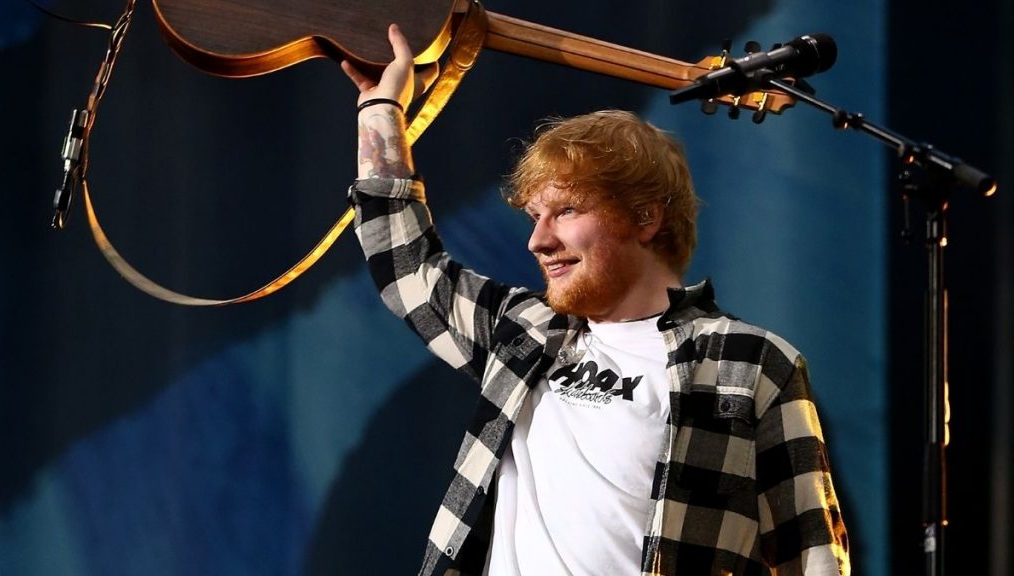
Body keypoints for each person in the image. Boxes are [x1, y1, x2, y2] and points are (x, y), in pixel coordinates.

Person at [342, 24, 850, 576]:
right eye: (534, 216)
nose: (538, 241)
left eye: (565, 212)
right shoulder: (527, 332)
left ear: (645, 217)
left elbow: (813, 558)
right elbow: (408, 267)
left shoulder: (750, 363)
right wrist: (380, 110)